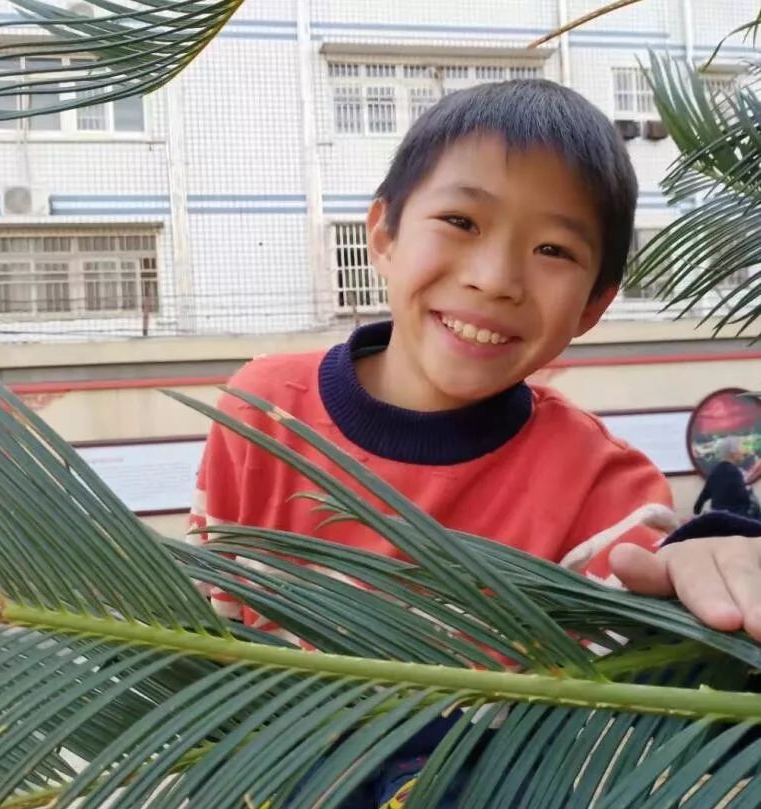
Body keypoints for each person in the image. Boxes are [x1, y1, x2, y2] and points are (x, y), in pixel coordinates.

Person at [189, 79, 761, 806]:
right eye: (461, 220)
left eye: (553, 248)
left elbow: (673, 604)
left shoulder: (603, 486)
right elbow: (213, 633)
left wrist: (727, 550)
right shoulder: (265, 410)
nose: (495, 279)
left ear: (594, 305)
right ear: (384, 235)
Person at [694, 436, 761, 519]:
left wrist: (697, 512)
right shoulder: (734, 472)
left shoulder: (716, 471)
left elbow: (703, 497)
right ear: (733, 453)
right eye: (740, 449)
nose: (743, 452)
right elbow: (744, 497)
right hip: (736, 519)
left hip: (719, 517)